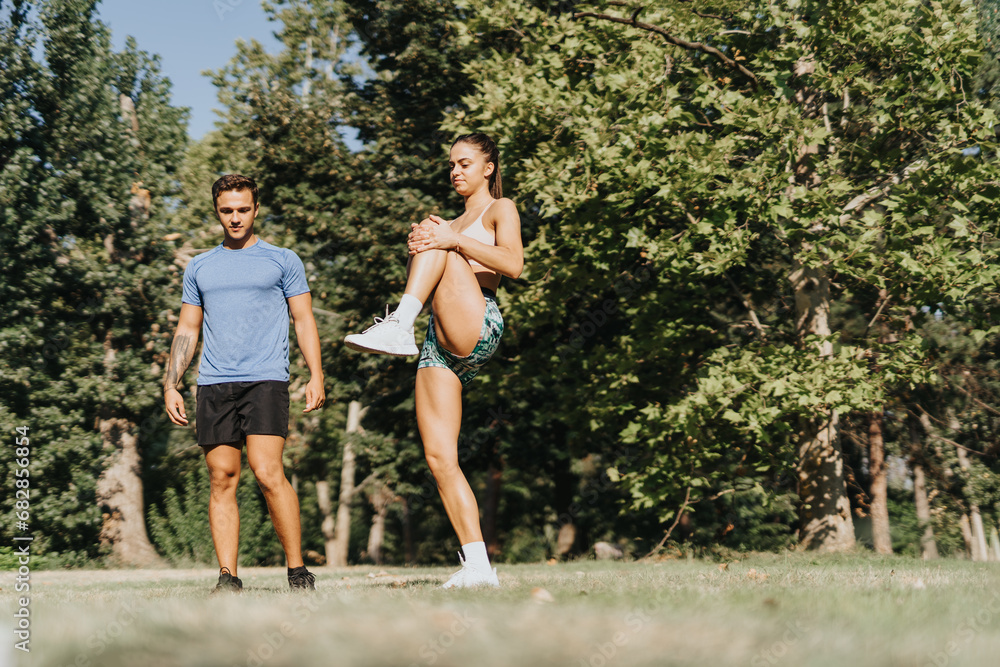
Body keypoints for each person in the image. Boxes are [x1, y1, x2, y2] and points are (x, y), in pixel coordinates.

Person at [344, 133, 523, 588]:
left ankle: (400, 320)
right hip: (438, 342)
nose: (456, 171)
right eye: (451, 165)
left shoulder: (500, 208)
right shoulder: (452, 221)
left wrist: (449, 241)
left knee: (437, 234)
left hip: (478, 321)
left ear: (488, 167)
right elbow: (441, 246)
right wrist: (432, 241)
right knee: (440, 456)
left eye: (465, 163)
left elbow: (513, 265)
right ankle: (479, 568)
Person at [163, 174, 325, 594]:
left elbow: (304, 319)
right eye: (226, 211)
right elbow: (187, 328)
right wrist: (171, 382)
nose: (235, 218)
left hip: (266, 378)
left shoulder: (282, 260)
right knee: (221, 477)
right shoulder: (200, 266)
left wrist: (316, 374)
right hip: (214, 382)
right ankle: (228, 577)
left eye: (242, 209)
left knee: (269, 471)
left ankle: (297, 571)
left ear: (256, 209)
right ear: (217, 211)